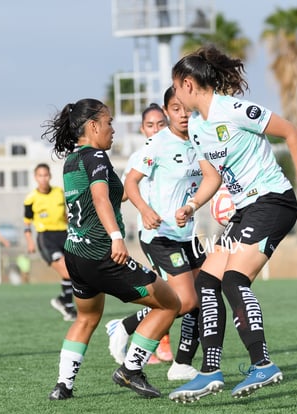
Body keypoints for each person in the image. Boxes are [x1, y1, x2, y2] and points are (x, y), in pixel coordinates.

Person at [168, 45, 297, 402]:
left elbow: (291, 132)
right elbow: (211, 179)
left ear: (188, 84)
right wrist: (191, 205)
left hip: (273, 201)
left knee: (234, 279)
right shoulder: (199, 129)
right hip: (245, 210)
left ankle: (263, 363)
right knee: (207, 281)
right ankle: (210, 371)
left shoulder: (232, 109)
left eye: (175, 87)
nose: (174, 95)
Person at [41, 98, 180, 400]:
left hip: (75, 253)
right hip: (101, 253)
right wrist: (117, 237)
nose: (112, 129)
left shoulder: (73, 160)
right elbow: (101, 199)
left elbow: (105, 198)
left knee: (86, 318)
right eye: (109, 122)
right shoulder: (97, 158)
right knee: (171, 304)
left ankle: (63, 385)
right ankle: (131, 369)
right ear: (93, 126)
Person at [108, 87, 206, 381]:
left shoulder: (202, 139)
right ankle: (126, 327)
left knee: (202, 296)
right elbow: (130, 184)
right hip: (160, 235)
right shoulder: (157, 145)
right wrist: (145, 210)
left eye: (186, 107)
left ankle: (182, 363)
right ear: (167, 112)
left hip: (188, 234)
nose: (183, 114)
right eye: (175, 109)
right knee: (185, 301)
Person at [105, 103, 173, 365]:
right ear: (142, 129)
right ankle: (157, 342)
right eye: (150, 125)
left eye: (160, 124)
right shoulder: (140, 157)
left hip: (180, 233)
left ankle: (126, 326)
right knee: (175, 294)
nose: (155, 129)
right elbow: (121, 194)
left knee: (184, 294)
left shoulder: (178, 149)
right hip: (154, 235)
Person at [24, 163, 76, 321]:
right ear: (35, 177)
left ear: (50, 176)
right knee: (67, 271)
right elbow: (27, 223)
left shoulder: (59, 192)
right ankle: (68, 307)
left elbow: (66, 215)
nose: (43, 179)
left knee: (73, 271)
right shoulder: (31, 198)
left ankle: (63, 300)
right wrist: (30, 242)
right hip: (46, 238)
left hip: (64, 234)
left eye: (46, 175)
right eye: (40, 175)